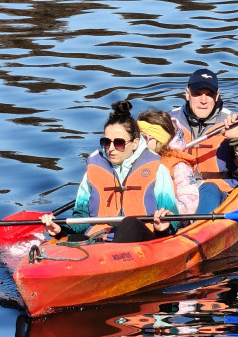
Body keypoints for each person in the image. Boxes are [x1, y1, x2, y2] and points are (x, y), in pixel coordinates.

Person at [41, 100, 179, 243]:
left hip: (144, 239)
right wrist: (61, 228)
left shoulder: (157, 170)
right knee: (74, 239)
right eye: (106, 142)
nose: (111, 148)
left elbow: (173, 220)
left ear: (135, 143)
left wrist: (164, 227)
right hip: (101, 239)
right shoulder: (93, 170)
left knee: (130, 224)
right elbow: (82, 217)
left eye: (118, 143)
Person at [169, 68, 238, 212]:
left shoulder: (231, 121)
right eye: (197, 94)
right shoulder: (168, 121)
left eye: (209, 95)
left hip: (219, 193)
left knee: (210, 189)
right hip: (179, 190)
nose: (203, 100)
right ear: (187, 94)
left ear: (217, 96)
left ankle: (198, 230)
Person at [137, 108, 199, 216]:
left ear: (161, 139)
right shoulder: (135, 162)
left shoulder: (179, 167)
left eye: (145, 137)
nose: (139, 142)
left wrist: (156, 206)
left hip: (170, 221)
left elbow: (190, 206)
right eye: (137, 138)